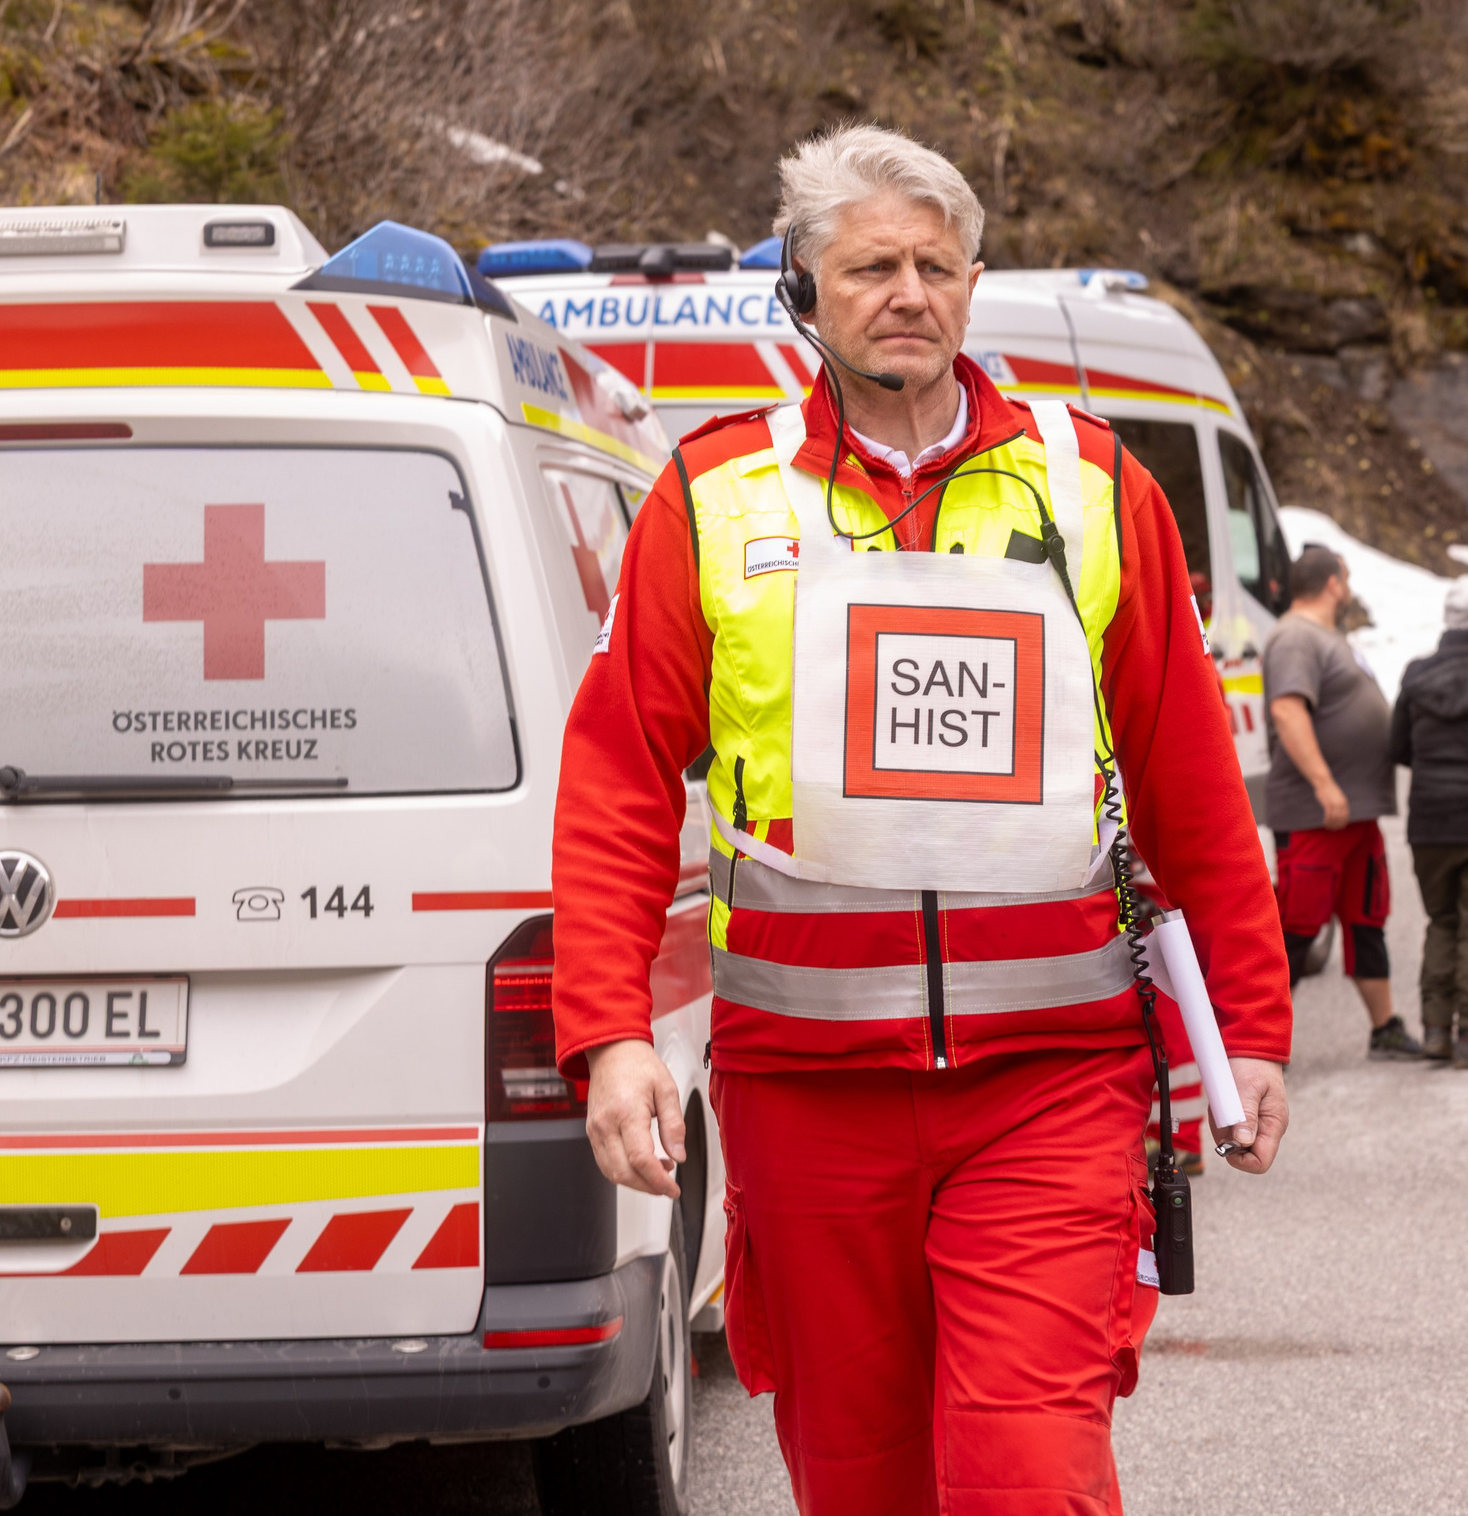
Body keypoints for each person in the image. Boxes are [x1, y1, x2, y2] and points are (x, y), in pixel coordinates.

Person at [549, 122, 1292, 1515]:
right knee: (863, 1476)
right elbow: (618, 774)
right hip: (805, 1092)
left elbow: (1190, 784)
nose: (909, 293)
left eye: (937, 266)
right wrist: (609, 1031)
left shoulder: (1095, 487)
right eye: (872, 265)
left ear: (973, 283)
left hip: (1052, 1081)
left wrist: (1241, 1030)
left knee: (1026, 1469)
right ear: (804, 288)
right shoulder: (715, 496)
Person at [1264, 544, 1418, 1060]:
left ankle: (1386, 1028)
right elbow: (1288, 711)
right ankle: (1257, 1046)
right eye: (1346, 579)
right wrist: (1326, 784)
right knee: (1299, 930)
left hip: (1354, 815)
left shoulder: (1329, 638)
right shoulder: (1294, 636)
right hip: (1317, 813)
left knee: (1366, 917)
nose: (1348, 589)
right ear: (1333, 583)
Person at [1388, 575, 1468, 1068]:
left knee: (1442, 922)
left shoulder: (1417, 672)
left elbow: (1397, 746)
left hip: (1429, 823)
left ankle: (1437, 1033)